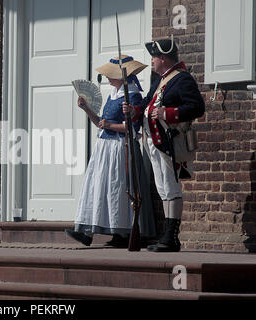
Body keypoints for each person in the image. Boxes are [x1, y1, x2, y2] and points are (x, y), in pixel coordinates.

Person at [123, 37, 205, 252]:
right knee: (162, 188)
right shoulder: (161, 79)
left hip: (169, 141)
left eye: (154, 57)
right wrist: (135, 111)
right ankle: (167, 237)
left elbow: (196, 107)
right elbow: (147, 103)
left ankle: (171, 237)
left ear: (163, 58)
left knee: (170, 186)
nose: (152, 61)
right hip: (154, 141)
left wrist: (167, 113)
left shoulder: (182, 79)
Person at [66, 55, 156, 248]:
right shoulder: (113, 95)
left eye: (110, 75)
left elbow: (132, 127)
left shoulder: (132, 96)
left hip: (120, 148)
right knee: (100, 188)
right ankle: (88, 232)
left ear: (120, 76)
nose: (107, 78)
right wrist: (86, 109)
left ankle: (122, 232)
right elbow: (101, 123)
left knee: (119, 189)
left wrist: (111, 125)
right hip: (104, 148)